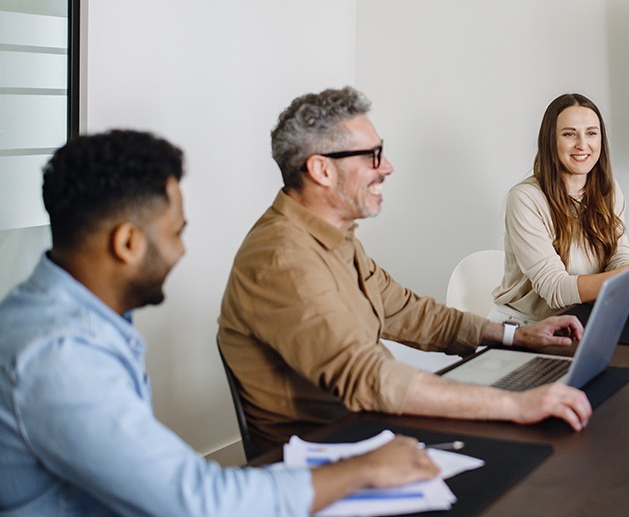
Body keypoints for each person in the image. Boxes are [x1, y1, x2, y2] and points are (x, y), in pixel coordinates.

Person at [0, 130, 439, 515]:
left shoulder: (51, 314)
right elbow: (197, 502)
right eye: (176, 233)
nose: (182, 251)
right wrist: (363, 469)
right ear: (128, 243)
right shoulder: (62, 352)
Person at [217, 87, 593, 450]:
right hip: (330, 453)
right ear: (321, 170)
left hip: (370, 427)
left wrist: (513, 336)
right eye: (371, 155)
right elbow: (370, 378)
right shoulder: (283, 260)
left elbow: (411, 312)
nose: (387, 167)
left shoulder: (334, 238)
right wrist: (516, 406)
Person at [493, 93, 629, 322]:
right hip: (525, 326)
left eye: (591, 133)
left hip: (582, 316)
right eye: (569, 134)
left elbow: (617, 257)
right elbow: (555, 290)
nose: (582, 144)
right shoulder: (525, 199)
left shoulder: (609, 190)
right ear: (551, 140)